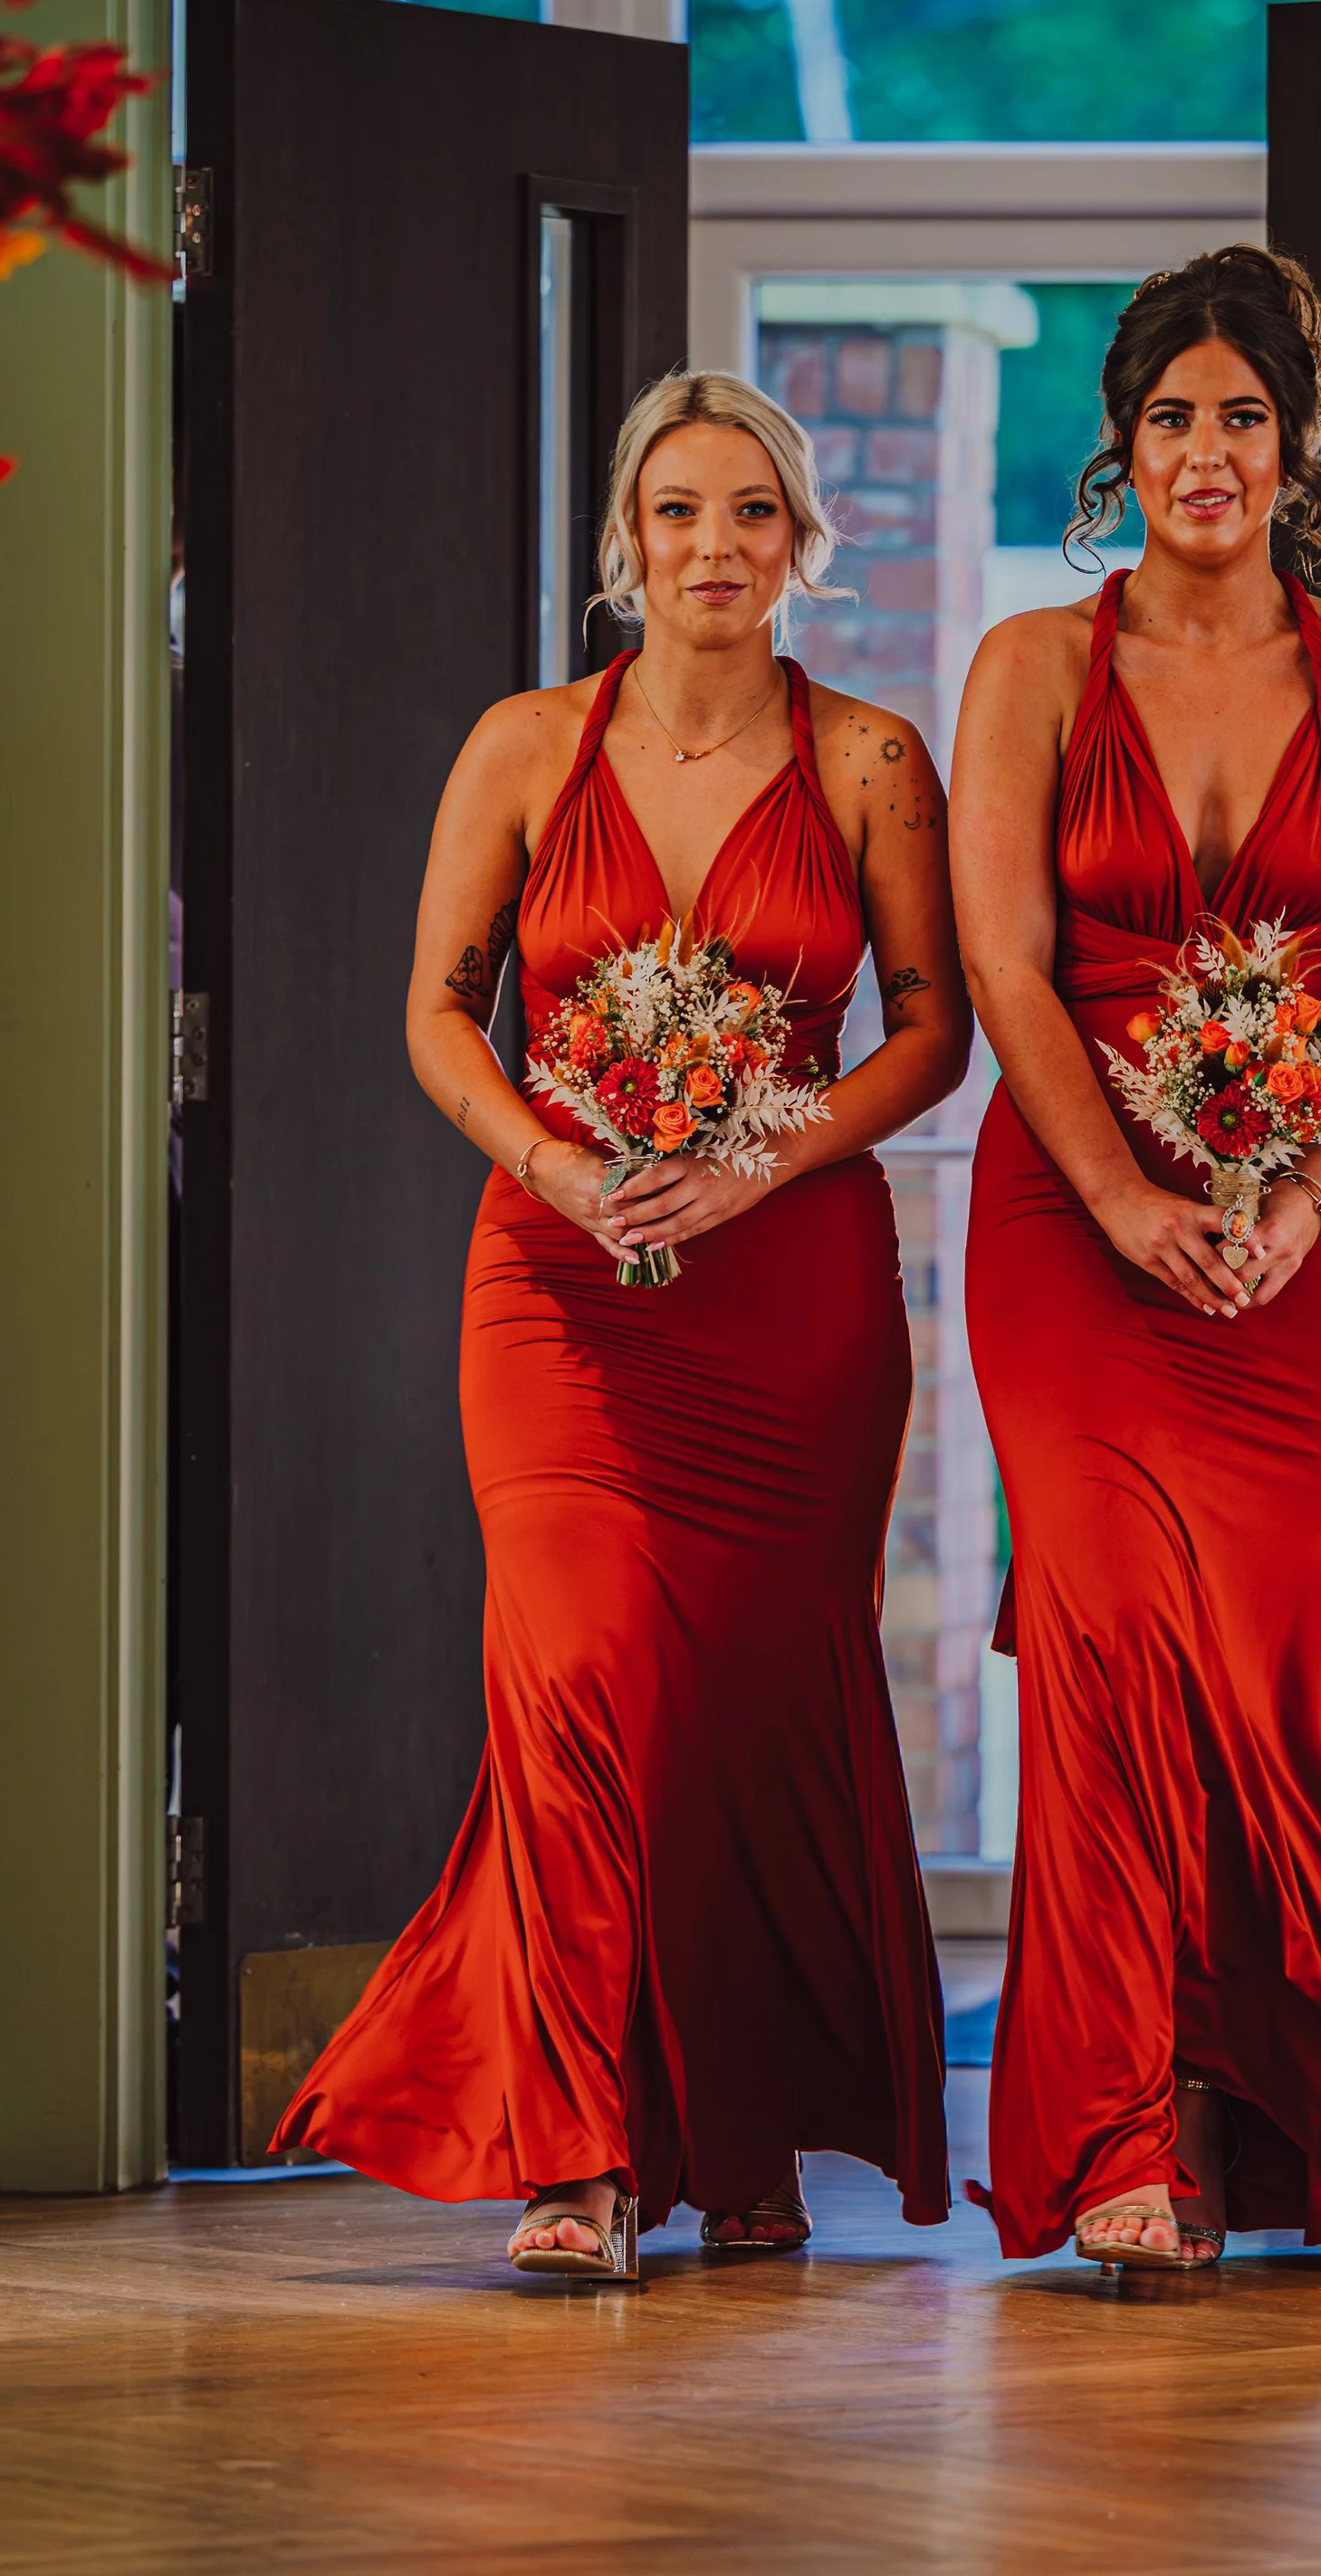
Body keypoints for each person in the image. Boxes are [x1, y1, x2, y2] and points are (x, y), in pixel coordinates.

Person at [275, 370, 972, 2279]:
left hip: (793, 1296)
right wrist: (559, 1167)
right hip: (560, 1283)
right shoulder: (520, 747)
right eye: (677, 512)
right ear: (624, 542)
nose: (714, 548)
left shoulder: (870, 762)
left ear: (801, 542)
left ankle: (738, 2138)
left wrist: (758, 1165)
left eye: (752, 513)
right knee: (576, 1683)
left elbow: (930, 1028)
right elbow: (436, 1008)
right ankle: (574, 2154)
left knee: (746, 1712)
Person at [950, 247, 1321, 2269]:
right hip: (1066, 1229)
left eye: (1243, 418)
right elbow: (1003, 966)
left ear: (1299, 446)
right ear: (1121, 445)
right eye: (1173, 417)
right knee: (1110, 1653)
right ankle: (1114, 2143)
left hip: (1309, 1234)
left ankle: (1259, 2109)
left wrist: (1304, 1185)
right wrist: (1117, 1194)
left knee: (1268, 1671)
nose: (1207, 452)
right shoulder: (1029, 665)